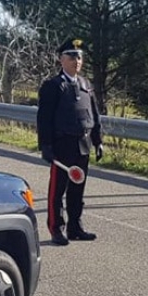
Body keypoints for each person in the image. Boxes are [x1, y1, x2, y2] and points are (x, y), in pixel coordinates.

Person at [36, 37, 104, 246]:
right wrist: (46, 146)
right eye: (72, 56)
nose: (77, 60)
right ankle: (57, 228)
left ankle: (76, 227)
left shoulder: (85, 85)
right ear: (61, 59)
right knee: (58, 191)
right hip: (62, 146)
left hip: (82, 145)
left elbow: (94, 114)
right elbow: (44, 118)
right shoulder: (53, 86)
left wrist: (98, 141)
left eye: (80, 57)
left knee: (77, 189)